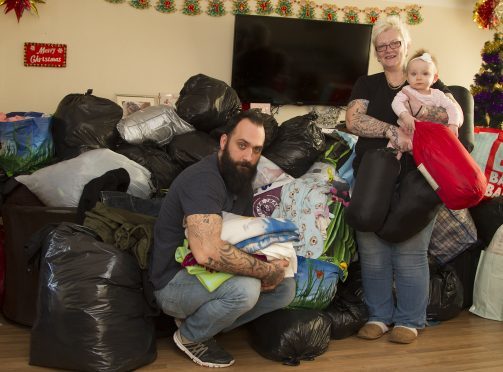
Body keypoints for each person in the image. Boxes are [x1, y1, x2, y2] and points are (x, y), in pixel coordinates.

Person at [345, 16, 462, 344]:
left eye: (395, 43)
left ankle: (410, 320)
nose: (389, 50)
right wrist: (392, 129)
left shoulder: (430, 82)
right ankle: (379, 316)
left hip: (418, 181)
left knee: (410, 251)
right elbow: (353, 120)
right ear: (377, 54)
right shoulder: (367, 84)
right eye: (382, 47)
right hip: (371, 177)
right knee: (372, 250)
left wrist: (416, 107)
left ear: (407, 46)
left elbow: (450, 117)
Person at [149, 109, 296, 368]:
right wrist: (264, 270)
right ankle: (191, 336)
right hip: (173, 282)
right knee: (246, 290)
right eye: (242, 145)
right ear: (224, 142)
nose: (248, 157)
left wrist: (275, 263)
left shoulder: (241, 181)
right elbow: (208, 252)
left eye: (256, 150)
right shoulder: (203, 180)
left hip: (203, 273)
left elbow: (245, 240)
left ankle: (202, 323)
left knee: (285, 288)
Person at [391, 49, 463, 138]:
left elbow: (452, 107)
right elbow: (396, 103)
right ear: (407, 77)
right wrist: (405, 116)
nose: (419, 77)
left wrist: (454, 124)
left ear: (435, 78)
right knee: (396, 143)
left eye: (425, 73)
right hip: (408, 131)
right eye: (413, 74)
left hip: (429, 134)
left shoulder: (438, 95)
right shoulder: (407, 90)